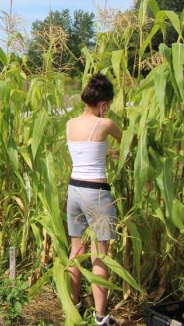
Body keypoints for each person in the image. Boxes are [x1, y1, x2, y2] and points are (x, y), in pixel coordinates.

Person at [65, 73, 123, 326]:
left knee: (75, 251)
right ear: (103, 103)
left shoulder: (70, 123)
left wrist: (105, 151)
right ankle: (101, 317)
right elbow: (132, 142)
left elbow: (86, 153)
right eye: (107, 104)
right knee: (100, 255)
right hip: (97, 194)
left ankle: (73, 305)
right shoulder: (106, 124)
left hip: (74, 191)